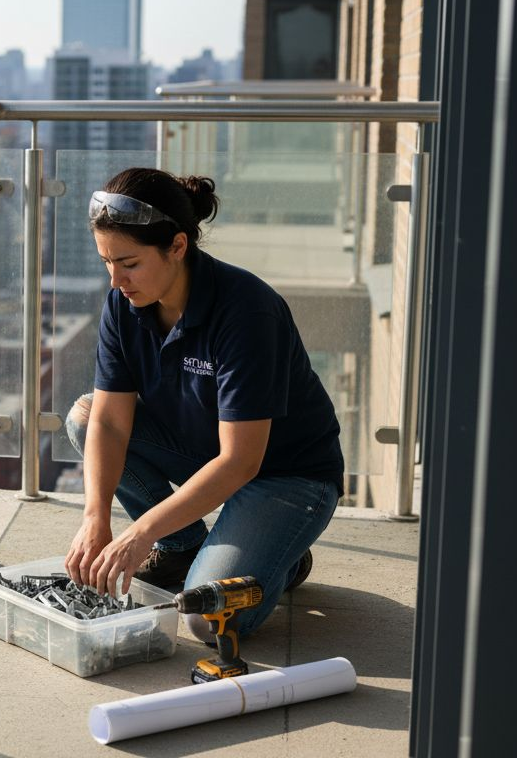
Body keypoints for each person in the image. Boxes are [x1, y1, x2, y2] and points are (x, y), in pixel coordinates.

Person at [63, 168, 343, 642]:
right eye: (107, 262)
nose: (116, 281)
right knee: (85, 419)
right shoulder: (124, 304)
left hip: (287, 475)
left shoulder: (247, 312)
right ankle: (184, 545)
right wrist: (96, 516)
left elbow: (241, 461)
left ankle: (282, 554)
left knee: (207, 619)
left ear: (177, 246)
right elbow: (110, 424)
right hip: (206, 450)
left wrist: (138, 533)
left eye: (128, 263)